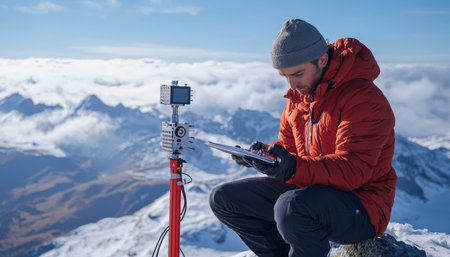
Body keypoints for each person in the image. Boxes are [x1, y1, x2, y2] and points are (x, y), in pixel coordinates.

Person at [209, 19, 397, 257]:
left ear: (322, 59)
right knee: (224, 198)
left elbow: (352, 171)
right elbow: (290, 151)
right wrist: (265, 156)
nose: (292, 84)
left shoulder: (363, 99)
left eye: (298, 73)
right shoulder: (298, 102)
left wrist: (291, 167)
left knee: (292, 207)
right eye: (284, 75)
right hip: (310, 192)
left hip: (362, 205)